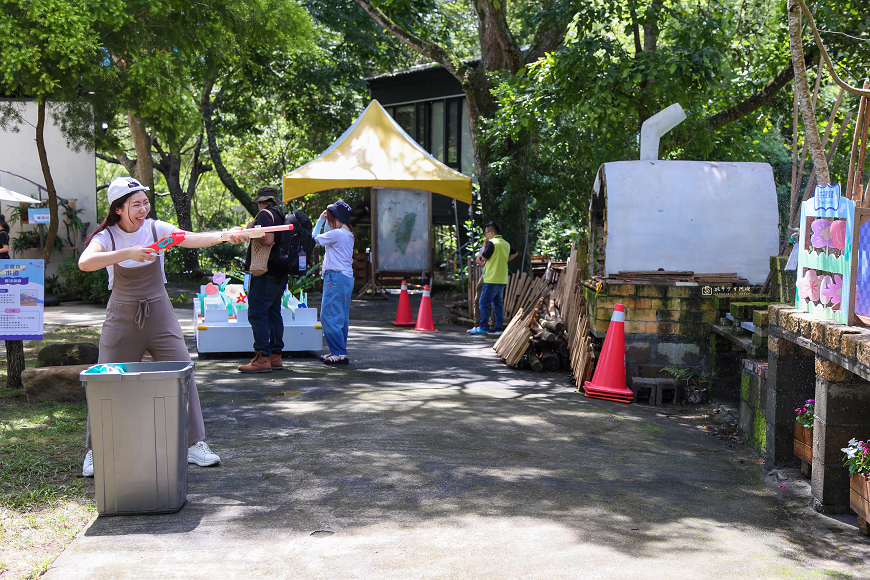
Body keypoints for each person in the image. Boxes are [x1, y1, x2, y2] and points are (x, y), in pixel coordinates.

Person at [77, 176, 245, 477]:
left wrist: (224, 235)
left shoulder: (157, 228)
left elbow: (190, 237)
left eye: (145, 202)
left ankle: (195, 444)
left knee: (183, 370)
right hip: (122, 318)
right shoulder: (108, 237)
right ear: (118, 209)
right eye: (135, 204)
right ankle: (94, 450)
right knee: (103, 378)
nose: (143, 209)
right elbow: (86, 263)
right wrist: (129, 253)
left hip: (160, 314)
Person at [238, 186, 289, 373]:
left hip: (264, 272)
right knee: (273, 313)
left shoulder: (265, 214)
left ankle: (261, 358)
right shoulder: (280, 215)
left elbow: (267, 239)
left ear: (261, 201)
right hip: (278, 273)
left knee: (257, 314)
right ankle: (275, 356)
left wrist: (249, 231)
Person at [312, 199, 355, 365]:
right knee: (340, 317)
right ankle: (338, 351)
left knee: (328, 315)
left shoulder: (337, 234)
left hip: (335, 278)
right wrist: (326, 221)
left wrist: (320, 220)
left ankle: (339, 352)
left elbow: (314, 239)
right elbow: (326, 234)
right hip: (345, 278)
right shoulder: (347, 233)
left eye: (330, 218)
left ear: (335, 218)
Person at [468, 220, 518, 336]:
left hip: (491, 278)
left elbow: (483, 258)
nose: (486, 235)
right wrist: (505, 260)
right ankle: (498, 327)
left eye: (486, 233)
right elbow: (515, 253)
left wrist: (484, 247)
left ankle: (483, 327)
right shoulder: (505, 243)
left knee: (483, 303)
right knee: (498, 304)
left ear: (491, 232)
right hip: (502, 279)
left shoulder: (492, 243)